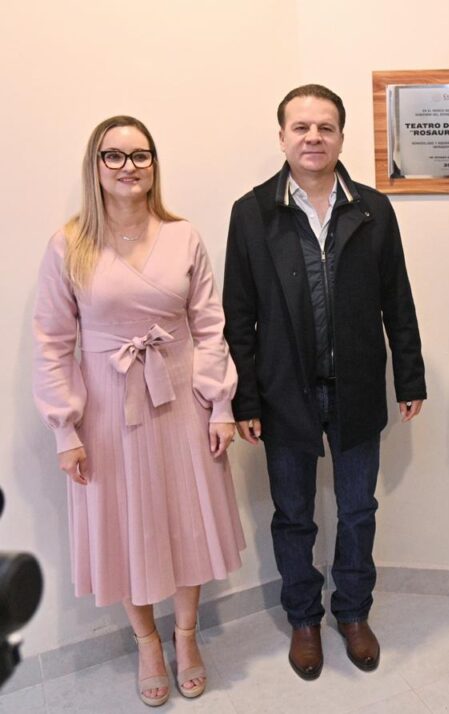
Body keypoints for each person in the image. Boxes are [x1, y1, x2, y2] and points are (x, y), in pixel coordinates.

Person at [33, 116, 245, 707]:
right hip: (106, 406)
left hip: (180, 397)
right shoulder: (69, 243)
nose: (129, 166)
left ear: (154, 164)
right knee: (123, 524)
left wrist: (221, 404)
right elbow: (52, 342)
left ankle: (186, 636)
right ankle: (147, 643)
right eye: (115, 155)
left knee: (188, 518)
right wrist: (64, 428)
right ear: (95, 165)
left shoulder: (183, 235)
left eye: (140, 155)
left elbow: (210, 325)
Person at [223, 84, 426, 680]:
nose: (313, 137)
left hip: (356, 386)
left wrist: (409, 377)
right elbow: (238, 314)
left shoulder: (373, 208)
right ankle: (304, 619)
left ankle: (354, 611)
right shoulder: (252, 212)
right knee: (293, 514)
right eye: (301, 127)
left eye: (325, 127)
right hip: (284, 390)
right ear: (282, 136)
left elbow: (397, 299)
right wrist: (244, 398)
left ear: (341, 136)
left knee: (358, 508)